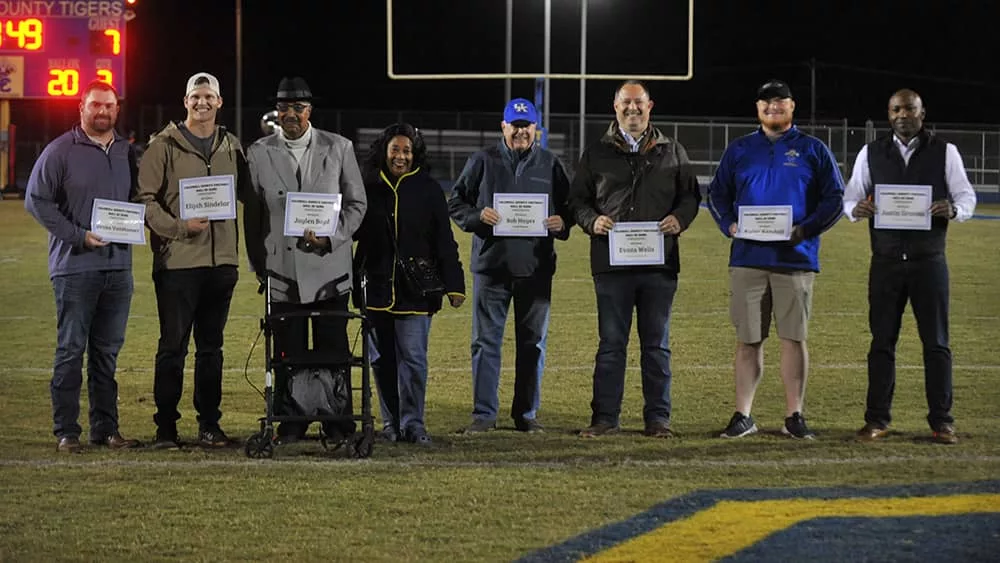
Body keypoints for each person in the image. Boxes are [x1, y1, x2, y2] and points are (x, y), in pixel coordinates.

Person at [707, 79, 844, 439]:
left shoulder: (813, 149)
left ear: (792, 106)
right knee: (748, 339)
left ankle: (794, 415)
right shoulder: (739, 150)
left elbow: (834, 198)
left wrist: (806, 229)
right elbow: (717, 194)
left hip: (795, 258)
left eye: (780, 102)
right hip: (748, 256)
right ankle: (743, 414)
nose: (773, 107)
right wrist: (728, 224)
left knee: (793, 338)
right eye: (766, 102)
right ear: (758, 108)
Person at [568, 80, 701, 438]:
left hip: (659, 266)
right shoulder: (596, 153)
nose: (632, 109)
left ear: (650, 106)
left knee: (656, 345)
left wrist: (680, 218)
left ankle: (658, 419)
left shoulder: (672, 150)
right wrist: (591, 220)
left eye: (638, 103)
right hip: (612, 266)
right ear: (615, 107)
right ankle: (605, 418)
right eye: (626, 103)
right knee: (611, 345)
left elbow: (690, 197)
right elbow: (577, 201)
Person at [843, 89, 976, 445]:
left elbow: (966, 196)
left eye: (910, 109)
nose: (903, 114)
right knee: (882, 342)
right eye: (896, 109)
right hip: (885, 261)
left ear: (922, 112)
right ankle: (876, 420)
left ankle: (942, 421)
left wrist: (954, 209)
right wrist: (855, 210)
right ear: (889, 115)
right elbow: (852, 195)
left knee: (936, 343)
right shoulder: (871, 152)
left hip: (929, 261)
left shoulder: (945, 151)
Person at [135, 72, 254, 449]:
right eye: (195, 97)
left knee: (211, 350)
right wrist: (179, 227)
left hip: (222, 265)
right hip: (178, 264)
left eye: (209, 97)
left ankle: (209, 425)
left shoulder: (231, 145)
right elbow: (145, 200)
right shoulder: (162, 145)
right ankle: (166, 429)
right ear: (185, 101)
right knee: (172, 347)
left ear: (219, 102)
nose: (202, 103)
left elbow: (251, 195)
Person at [245, 76, 367, 442]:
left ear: (310, 110)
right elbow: (252, 217)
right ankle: (291, 419)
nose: (291, 114)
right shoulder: (258, 151)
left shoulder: (339, 147)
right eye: (284, 107)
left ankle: (337, 419)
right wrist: (259, 265)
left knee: (334, 348)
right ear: (276, 112)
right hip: (282, 272)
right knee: (288, 350)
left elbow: (358, 203)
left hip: (329, 267)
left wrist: (332, 236)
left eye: (298, 107)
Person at [24, 80, 142, 453]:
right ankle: (67, 432)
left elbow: (139, 199)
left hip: (119, 267)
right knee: (71, 350)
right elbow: (35, 201)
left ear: (116, 109)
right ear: (81, 108)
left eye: (108, 105)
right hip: (75, 267)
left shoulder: (127, 152)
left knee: (107, 354)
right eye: (95, 105)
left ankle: (106, 429)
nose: (102, 111)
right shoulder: (60, 151)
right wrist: (78, 235)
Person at [448, 98, 572, 434]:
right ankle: (484, 414)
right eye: (514, 125)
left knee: (533, 344)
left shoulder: (550, 163)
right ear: (503, 127)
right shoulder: (482, 160)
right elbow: (455, 201)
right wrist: (476, 217)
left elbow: (570, 208)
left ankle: (526, 414)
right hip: (491, 267)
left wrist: (564, 223)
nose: (520, 131)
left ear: (537, 129)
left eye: (526, 125)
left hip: (535, 269)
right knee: (485, 343)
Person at [353, 123, 466, 445]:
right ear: (384, 152)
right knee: (381, 361)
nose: (400, 156)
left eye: (406, 151)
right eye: (395, 150)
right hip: (375, 289)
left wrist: (454, 285)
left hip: (416, 291)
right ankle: (390, 424)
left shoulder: (429, 189)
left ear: (415, 154)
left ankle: (413, 424)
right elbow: (352, 231)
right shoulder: (368, 187)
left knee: (414, 360)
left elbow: (444, 239)